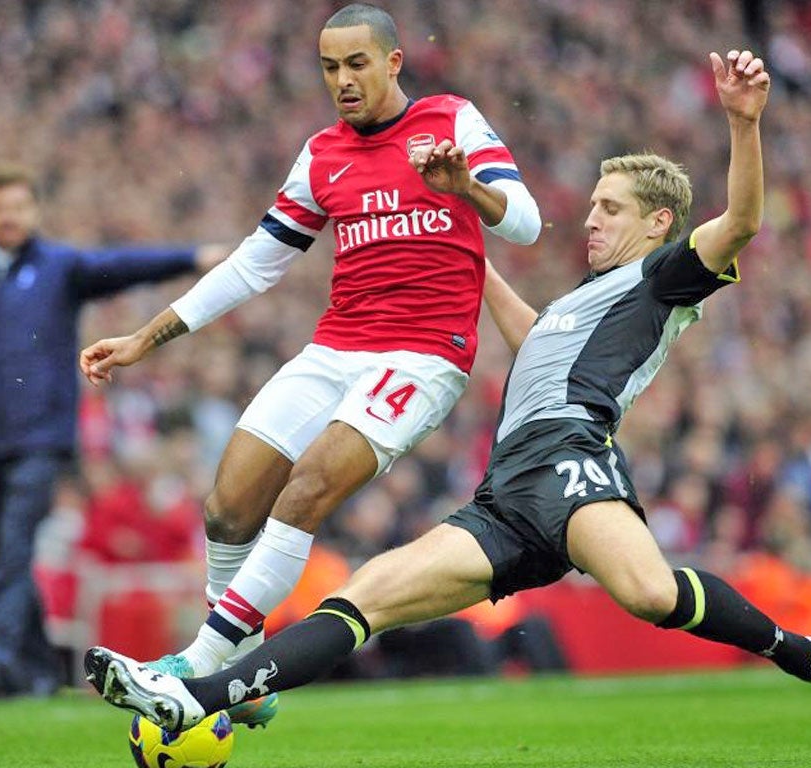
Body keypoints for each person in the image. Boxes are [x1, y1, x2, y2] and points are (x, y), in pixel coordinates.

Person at [83, 49, 811, 733]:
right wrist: (440, 210)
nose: (589, 220)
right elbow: (489, 288)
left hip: (569, 461)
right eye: (590, 204)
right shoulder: (566, 311)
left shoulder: (662, 279)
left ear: (658, 224)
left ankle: (809, 655)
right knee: (362, 596)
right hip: (506, 490)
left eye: (609, 209)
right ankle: (200, 697)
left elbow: (744, 223)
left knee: (651, 594)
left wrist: (743, 121)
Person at [77, 2, 540, 726]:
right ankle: (247, 672)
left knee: (305, 491)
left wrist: (467, 190)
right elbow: (254, 264)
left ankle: (197, 667)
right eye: (330, 67)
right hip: (334, 350)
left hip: (423, 358)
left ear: (392, 61)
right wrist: (147, 336)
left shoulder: (453, 120)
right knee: (228, 507)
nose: (343, 80)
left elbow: (527, 221)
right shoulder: (322, 154)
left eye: (357, 64)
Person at [0, 164, 223, 699]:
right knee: (2, 553)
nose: (10, 217)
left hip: (41, 439)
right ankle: (37, 673)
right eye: (0, 207)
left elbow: (122, 265)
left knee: (14, 545)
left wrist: (192, 257)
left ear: (34, 212)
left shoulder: (58, 267)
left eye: (19, 206)